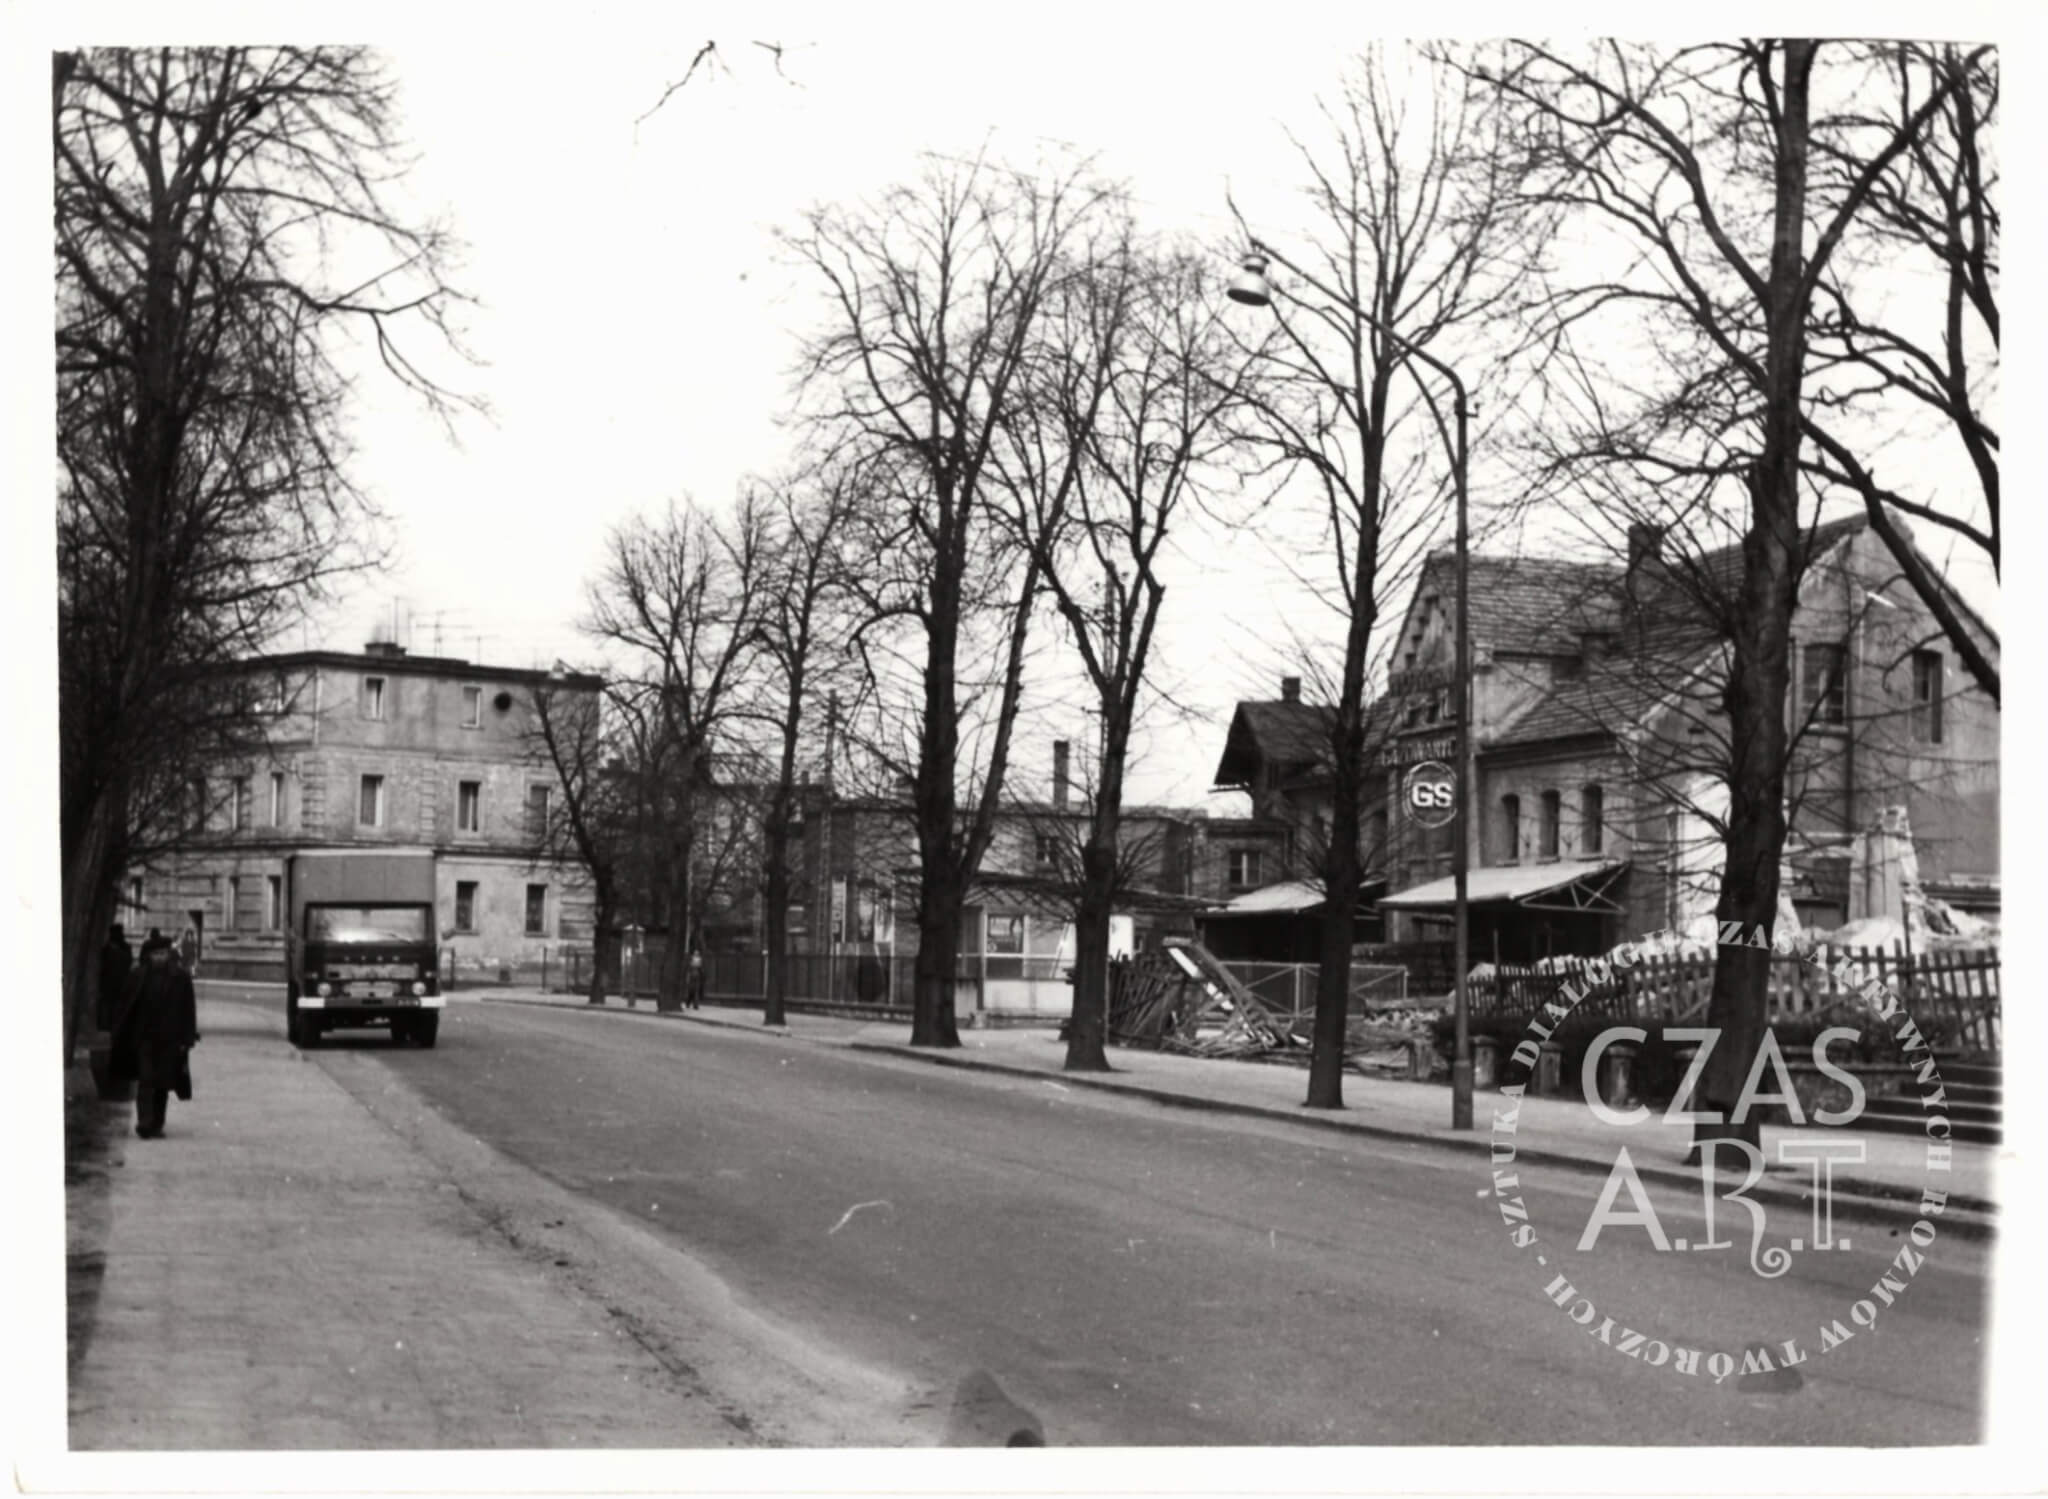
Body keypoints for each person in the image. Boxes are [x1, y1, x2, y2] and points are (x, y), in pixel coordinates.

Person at [108, 932, 199, 1139]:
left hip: (169, 1040)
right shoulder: (138, 976)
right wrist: (120, 1032)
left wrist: (187, 1039)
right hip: (144, 1038)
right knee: (146, 1080)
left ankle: (157, 1123)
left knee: (162, 1083)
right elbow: (125, 1006)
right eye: (156, 954)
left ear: (169, 954)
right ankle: (144, 1122)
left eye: (163, 953)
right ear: (148, 955)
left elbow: (188, 1010)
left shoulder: (180, 978)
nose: (160, 957)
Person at [97, 923, 133, 1031]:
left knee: (112, 1005)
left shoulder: (108, 948)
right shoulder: (122, 948)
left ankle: (110, 1025)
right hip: (116, 982)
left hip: (112, 982)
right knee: (112, 1005)